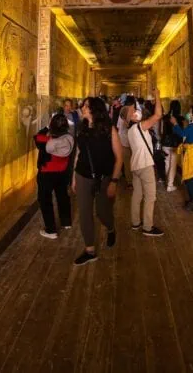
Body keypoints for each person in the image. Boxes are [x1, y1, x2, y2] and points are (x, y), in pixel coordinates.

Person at [72, 97, 123, 265]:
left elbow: (119, 158)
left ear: (94, 109)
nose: (83, 108)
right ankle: (90, 250)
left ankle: (110, 228)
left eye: (86, 106)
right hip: (83, 176)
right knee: (85, 213)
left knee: (102, 212)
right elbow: (78, 154)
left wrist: (114, 181)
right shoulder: (81, 128)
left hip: (103, 178)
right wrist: (74, 177)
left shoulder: (109, 130)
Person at [128, 90, 165, 236]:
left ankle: (135, 222)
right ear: (133, 118)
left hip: (135, 165)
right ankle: (148, 227)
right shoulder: (140, 126)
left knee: (137, 194)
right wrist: (157, 96)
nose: (137, 112)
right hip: (145, 165)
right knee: (150, 196)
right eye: (134, 112)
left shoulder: (130, 130)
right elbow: (158, 115)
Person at [34, 113, 73, 238]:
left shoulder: (46, 141)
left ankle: (51, 230)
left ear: (52, 127)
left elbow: (37, 137)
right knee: (62, 196)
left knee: (45, 200)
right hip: (62, 172)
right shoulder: (70, 139)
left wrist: (47, 127)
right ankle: (66, 222)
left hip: (47, 174)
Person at [172, 104, 193, 210]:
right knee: (192, 177)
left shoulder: (192, 126)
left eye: (190, 112)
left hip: (192, 155)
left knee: (190, 178)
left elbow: (182, 133)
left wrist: (175, 124)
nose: (188, 114)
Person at [162, 100, 182, 191]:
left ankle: (167, 181)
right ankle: (170, 185)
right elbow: (180, 133)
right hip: (174, 144)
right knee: (173, 165)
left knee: (167, 163)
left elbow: (162, 131)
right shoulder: (179, 119)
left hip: (165, 143)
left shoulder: (165, 117)